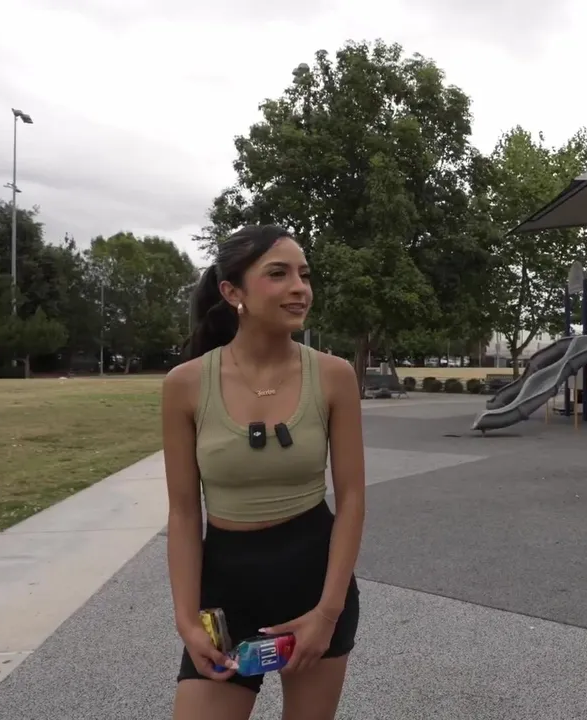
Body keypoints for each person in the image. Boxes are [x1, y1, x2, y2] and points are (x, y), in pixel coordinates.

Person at [161, 225, 366, 720]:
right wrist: (186, 620)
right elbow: (184, 513)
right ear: (233, 292)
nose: (300, 288)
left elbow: (353, 498)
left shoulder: (334, 376)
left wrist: (328, 613)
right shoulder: (186, 384)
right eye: (278, 274)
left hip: (314, 588)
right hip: (226, 596)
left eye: (304, 275)